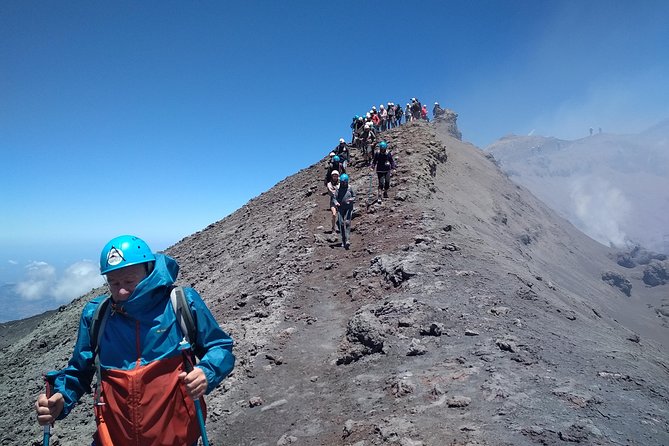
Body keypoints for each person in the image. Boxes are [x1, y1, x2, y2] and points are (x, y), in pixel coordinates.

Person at [35, 235, 235, 445]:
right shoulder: (96, 315)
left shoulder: (181, 303)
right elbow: (79, 371)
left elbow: (219, 346)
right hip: (113, 438)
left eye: (129, 281)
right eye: (113, 282)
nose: (121, 291)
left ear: (148, 271)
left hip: (178, 438)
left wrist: (207, 371)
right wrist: (61, 398)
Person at [335, 173, 355, 249]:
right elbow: (334, 198)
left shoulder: (350, 188)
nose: (343, 183)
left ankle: (348, 240)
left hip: (349, 208)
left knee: (347, 222)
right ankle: (343, 240)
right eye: (342, 182)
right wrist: (336, 202)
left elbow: (354, 196)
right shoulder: (338, 188)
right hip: (340, 208)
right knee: (341, 224)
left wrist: (351, 199)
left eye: (345, 182)